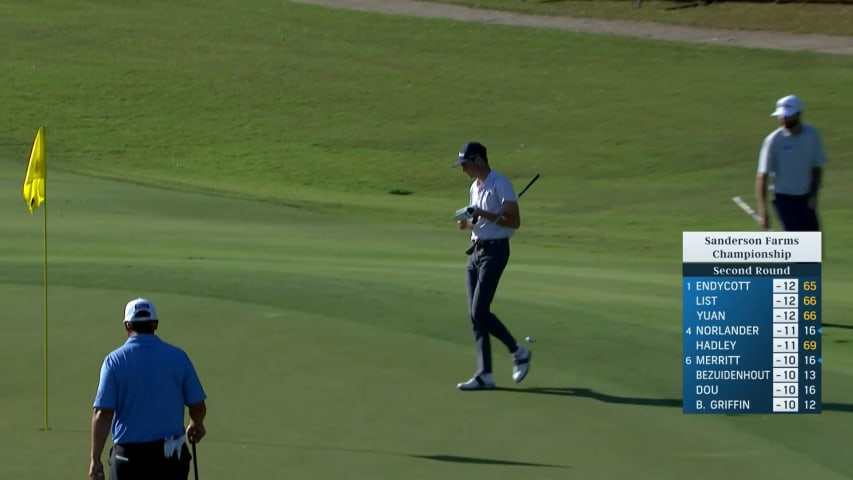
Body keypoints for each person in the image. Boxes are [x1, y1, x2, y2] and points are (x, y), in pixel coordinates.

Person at [89, 298, 208, 480]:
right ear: (155, 324)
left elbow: (102, 413)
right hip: (171, 459)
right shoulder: (178, 357)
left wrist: (95, 459)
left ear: (127, 326)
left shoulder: (113, 361)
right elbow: (197, 405)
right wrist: (196, 424)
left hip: (128, 460)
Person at [452, 141, 532, 391]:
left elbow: (514, 221)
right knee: (475, 317)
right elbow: (480, 222)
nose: (464, 170)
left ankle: (518, 351)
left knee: (480, 311)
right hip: (475, 252)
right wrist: (468, 224)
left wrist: (483, 214)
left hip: (495, 252)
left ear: (478, 160)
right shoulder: (474, 188)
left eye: (466, 164)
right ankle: (485, 373)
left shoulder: (501, 183)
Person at [756, 94, 828, 231]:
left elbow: (816, 167)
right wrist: (763, 210)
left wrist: (814, 195)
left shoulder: (812, 135)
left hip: (806, 199)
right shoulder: (773, 140)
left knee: (813, 245)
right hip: (784, 200)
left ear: (798, 114)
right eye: (781, 116)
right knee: (797, 241)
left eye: (788, 116)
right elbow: (762, 175)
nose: (783, 119)